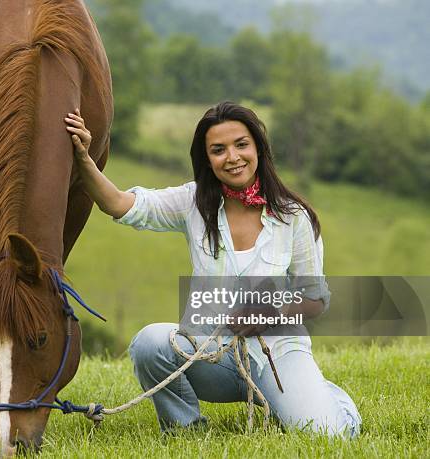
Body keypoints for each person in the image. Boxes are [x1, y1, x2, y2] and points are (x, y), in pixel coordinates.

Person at [64, 102, 362, 437]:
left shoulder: (294, 217)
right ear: (207, 159)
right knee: (150, 343)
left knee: (327, 434)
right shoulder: (193, 202)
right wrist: (84, 158)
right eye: (218, 150)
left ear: (259, 149)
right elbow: (118, 203)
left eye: (241, 145)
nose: (232, 157)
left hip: (276, 355)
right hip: (210, 354)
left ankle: (326, 398)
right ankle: (184, 430)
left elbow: (317, 299)